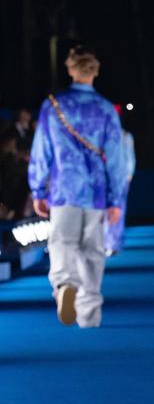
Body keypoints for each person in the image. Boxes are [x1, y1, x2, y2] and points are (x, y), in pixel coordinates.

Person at [28, 46, 125, 327]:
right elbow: (116, 158)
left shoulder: (53, 106)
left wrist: (38, 190)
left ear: (70, 70)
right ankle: (89, 312)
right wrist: (116, 199)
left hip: (63, 188)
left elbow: (41, 151)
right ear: (95, 71)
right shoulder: (106, 109)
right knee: (92, 250)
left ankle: (64, 284)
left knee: (62, 242)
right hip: (96, 192)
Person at [104, 107, 136, 256]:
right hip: (105, 178)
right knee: (104, 210)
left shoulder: (126, 136)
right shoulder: (104, 137)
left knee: (118, 209)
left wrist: (128, 177)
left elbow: (130, 158)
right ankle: (104, 242)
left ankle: (113, 242)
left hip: (121, 178)